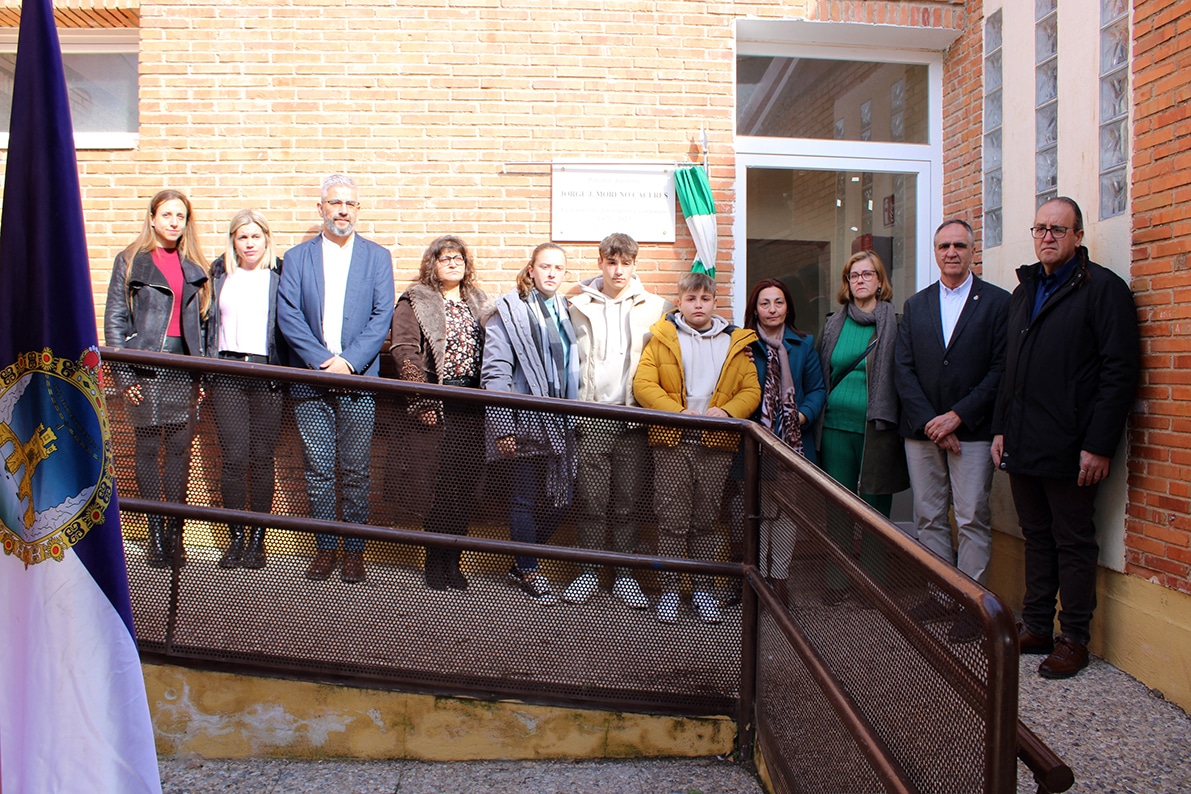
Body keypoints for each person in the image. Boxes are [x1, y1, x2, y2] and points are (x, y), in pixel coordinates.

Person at [992, 197, 1139, 679]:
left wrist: (1099, 444)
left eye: (1058, 229)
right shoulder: (1024, 290)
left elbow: (1119, 373)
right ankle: (1036, 624)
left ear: (1079, 236)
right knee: (1036, 536)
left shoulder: (1103, 290)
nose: (1048, 237)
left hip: (1073, 445)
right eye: (1040, 229)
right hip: (1023, 439)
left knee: (1072, 540)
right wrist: (1000, 428)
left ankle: (1073, 637)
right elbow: (1008, 369)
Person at [894, 219, 1011, 642]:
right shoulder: (917, 304)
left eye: (960, 244)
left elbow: (1001, 369)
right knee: (928, 515)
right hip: (923, 430)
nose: (951, 252)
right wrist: (932, 421)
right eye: (944, 245)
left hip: (973, 431)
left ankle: (971, 603)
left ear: (972, 250)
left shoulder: (998, 303)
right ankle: (940, 593)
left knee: (972, 516)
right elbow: (903, 369)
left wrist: (957, 416)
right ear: (935, 250)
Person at [276, 174, 395, 584]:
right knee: (319, 468)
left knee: (357, 470)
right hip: (312, 379)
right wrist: (323, 361)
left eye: (350, 204)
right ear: (321, 208)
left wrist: (349, 362)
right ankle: (326, 548)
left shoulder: (378, 258)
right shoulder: (297, 258)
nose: (342, 210)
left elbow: (382, 317)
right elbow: (288, 315)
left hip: (360, 380)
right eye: (335, 202)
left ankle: (355, 550)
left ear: (357, 210)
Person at [633, 272, 761, 624]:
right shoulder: (661, 338)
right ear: (680, 302)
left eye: (705, 298)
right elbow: (644, 385)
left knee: (706, 519)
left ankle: (703, 590)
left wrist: (728, 411)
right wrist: (678, 412)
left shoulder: (735, 342)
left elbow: (751, 391)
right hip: (673, 439)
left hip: (717, 440)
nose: (698, 305)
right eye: (691, 299)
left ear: (715, 301)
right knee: (672, 518)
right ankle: (671, 590)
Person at [561, 233, 672, 609]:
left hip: (633, 417)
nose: (618, 269)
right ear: (600, 262)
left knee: (627, 500)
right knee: (592, 498)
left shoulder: (658, 308)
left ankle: (624, 574)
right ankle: (589, 571)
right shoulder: (575, 305)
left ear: (635, 264)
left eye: (625, 262)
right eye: (611, 262)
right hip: (592, 414)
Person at [104, 189, 211, 569]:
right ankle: (153, 536)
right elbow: (115, 321)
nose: (173, 222)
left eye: (180, 216)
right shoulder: (131, 260)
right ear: (152, 218)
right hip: (145, 368)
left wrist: (203, 374)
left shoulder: (194, 264)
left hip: (184, 369)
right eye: (166, 214)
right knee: (149, 451)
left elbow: (204, 325)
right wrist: (124, 375)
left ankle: (174, 536)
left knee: (179, 454)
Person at [481, 243, 579, 605]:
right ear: (531, 270)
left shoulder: (566, 311)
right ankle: (528, 568)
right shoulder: (508, 312)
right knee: (524, 497)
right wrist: (503, 425)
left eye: (559, 267)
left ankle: (522, 560)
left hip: (561, 421)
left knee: (561, 499)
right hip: (525, 419)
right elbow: (495, 372)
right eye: (545, 266)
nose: (552, 273)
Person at [390, 235, 489, 590]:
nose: (452, 263)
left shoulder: (478, 301)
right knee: (440, 487)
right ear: (431, 263)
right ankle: (435, 559)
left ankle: (454, 559)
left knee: (465, 486)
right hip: (438, 405)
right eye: (444, 258)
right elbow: (405, 351)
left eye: (458, 258)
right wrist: (423, 400)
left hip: (474, 407)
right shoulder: (415, 300)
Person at [816, 250, 908, 601]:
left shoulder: (895, 322)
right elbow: (823, 373)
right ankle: (837, 580)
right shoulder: (834, 323)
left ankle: (872, 584)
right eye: (854, 276)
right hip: (836, 426)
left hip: (877, 427)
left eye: (867, 274)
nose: (860, 281)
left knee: (874, 507)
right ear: (847, 283)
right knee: (838, 507)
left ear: (880, 280)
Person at [730, 277, 827, 605]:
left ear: (788, 307)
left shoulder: (804, 344)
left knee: (785, 513)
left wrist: (801, 416)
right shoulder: (741, 343)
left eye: (779, 302)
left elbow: (817, 389)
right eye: (765, 303)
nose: (772, 309)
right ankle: (751, 577)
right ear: (754, 309)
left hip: (791, 443)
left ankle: (778, 578)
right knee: (752, 510)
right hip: (752, 443)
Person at [207, 209, 286, 570]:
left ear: (266, 239)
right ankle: (236, 537)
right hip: (227, 371)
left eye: (255, 236)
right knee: (235, 457)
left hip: (267, 372)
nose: (249, 243)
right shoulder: (219, 272)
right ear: (233, 240)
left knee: (261, 457)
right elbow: (205, 324)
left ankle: (258, 539)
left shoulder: (280, 274)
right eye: (242, 236)